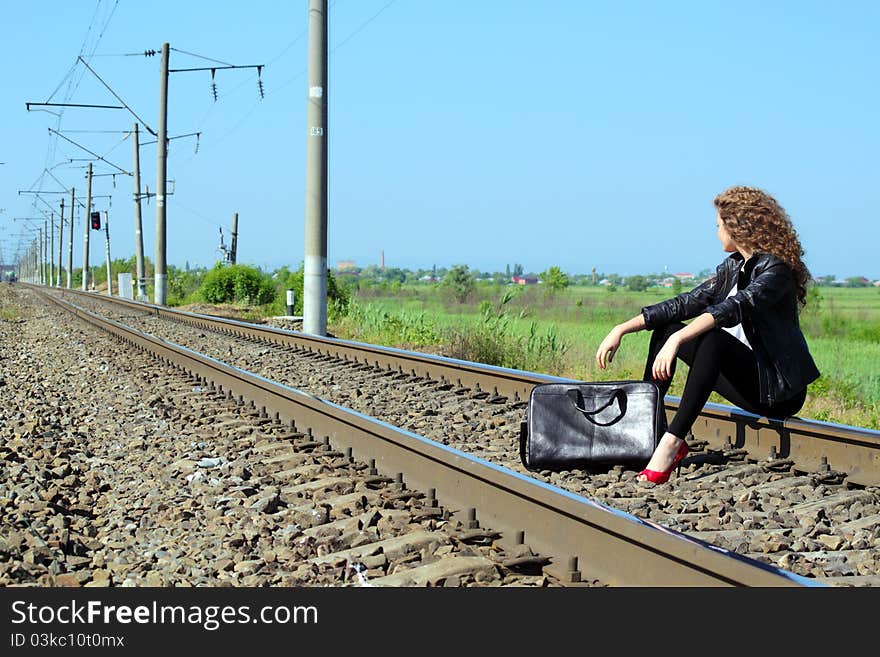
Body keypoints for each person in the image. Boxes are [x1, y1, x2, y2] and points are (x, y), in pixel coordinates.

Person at [595, 185, 820, 484]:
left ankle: (672, 444)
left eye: (718, 226)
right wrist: (621, 328)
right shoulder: (733, 268)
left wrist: (680, 340)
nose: (716, 233)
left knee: (710, 337)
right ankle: (645, 428)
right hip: (746, 379)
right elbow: (684, 303)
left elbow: (733, 308)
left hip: (776, 392)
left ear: (737, 227)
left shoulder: (774, 271)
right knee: (667, 329)